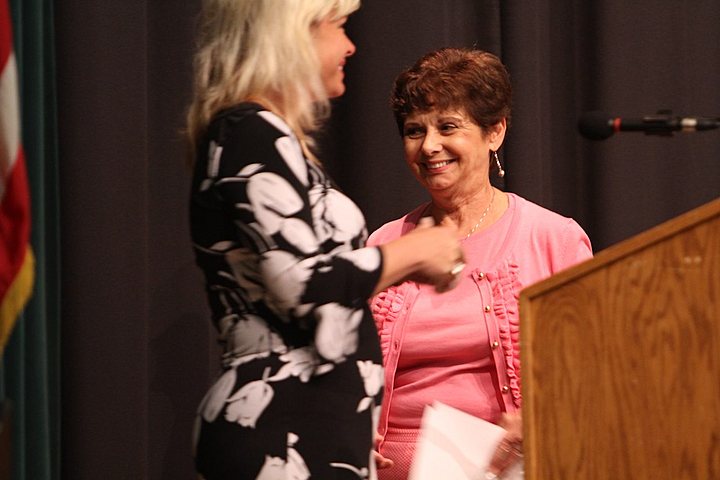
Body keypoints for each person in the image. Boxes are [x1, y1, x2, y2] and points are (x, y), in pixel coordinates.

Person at [185, 2, 467, 479]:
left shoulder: (264, 135)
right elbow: (300, 284)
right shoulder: (250, 130)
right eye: (339, 27)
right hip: (278, 429)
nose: (350, 45)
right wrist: (413, 252)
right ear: (293, 35)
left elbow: (310, 291)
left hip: (313, 429)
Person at [367, 47, 594, 479]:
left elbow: (590, 368)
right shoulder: (384, 243)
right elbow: (345, 369)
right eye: (415, 131)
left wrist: (541, 417)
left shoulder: (553, 239)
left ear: (495, 132)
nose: (429, 146)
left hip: (506, 469)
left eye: (448, 127)